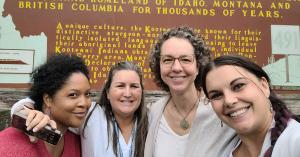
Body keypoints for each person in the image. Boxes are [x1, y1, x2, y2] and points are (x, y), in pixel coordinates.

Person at [11, 61, 148, 157]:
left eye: (134, 86)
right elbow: (25, 105)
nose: (128, 93)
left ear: (141, 91)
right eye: (120, 86)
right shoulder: (90, 115)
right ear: (107, 91)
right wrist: (29, 111)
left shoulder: (152, 119)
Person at [144, 26, 237, 157]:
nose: (176, 68)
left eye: (185, 60)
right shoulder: (153, 113)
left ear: (198, 66)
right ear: (158, 66)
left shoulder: (220, 110)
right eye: (168, 60)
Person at [201, 55, 300, 157]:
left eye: (238, 86)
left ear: (264, 86)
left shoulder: (295, 142)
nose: (229, 101)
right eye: (216, 95)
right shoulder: (221, 152)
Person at [0, 54, 92, 157]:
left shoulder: (78, 142)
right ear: (48, 99)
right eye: (73, 95)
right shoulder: (9, 146)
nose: (84, 103)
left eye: (87, 94)